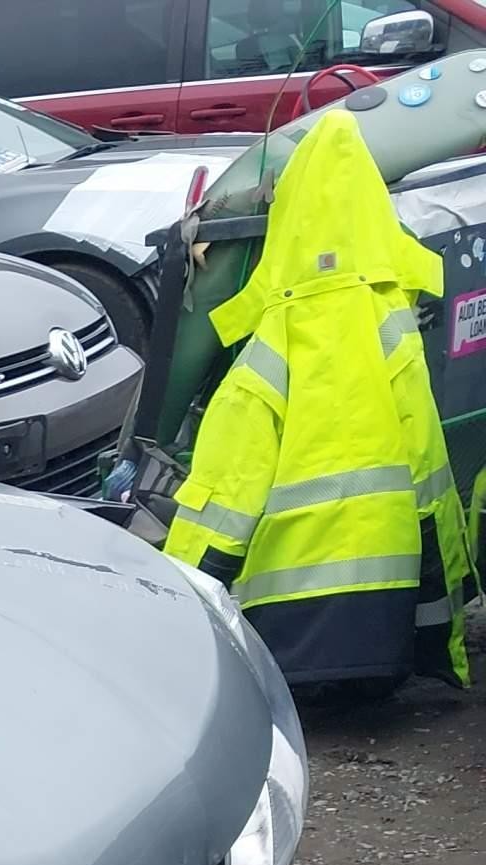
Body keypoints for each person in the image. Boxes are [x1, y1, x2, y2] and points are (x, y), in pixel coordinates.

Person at [164, 110, 470, 691]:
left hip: (287, 644)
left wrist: (170, 610)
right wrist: (444, 638)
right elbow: (431, 482)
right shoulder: (396, 329)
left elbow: (227, 489)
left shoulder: (277, 342)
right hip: (389, 637)